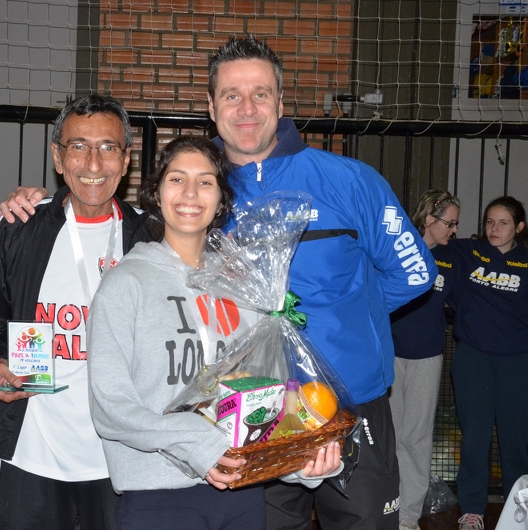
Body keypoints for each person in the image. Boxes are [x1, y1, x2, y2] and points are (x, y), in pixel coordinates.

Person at [0, 36, 437, 530]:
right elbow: (118, 226)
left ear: (281, 102)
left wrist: (344, 321)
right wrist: (39, 206)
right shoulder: (200, 194)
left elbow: (415, 274)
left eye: (260, 94)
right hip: (246, 415)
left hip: (349, 404)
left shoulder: (350, 180)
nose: (247, 108)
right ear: (211, 107)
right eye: (231, 95)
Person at [87, 135, 342, 530]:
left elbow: (265, 398)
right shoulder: (125, 284)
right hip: (159, 495)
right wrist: (199, 444)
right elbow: (111, 408)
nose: (190, 193)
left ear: (221, 199)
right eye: (177, 179)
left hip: (244, 492)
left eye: (205, 182)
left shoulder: (242, 286)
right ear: (156, 192)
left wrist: (301, 461)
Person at [0, 95, 155, 530]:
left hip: (121, 454)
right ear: (58, 157)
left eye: (108, 147)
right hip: (33, 448)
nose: (93, 163)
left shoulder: (150, 235)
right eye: (78, 146)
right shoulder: (21, 227)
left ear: (126, 159)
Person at [449, 196, 528, 530]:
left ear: (519, 227)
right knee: (474, 439)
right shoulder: (468, 251)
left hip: (517, 361)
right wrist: (463, 309)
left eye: (503, 223)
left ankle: (516, 511)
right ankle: (472, 511)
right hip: (474, 357)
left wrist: (527, 310)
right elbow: (438, 257)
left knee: (514, 442)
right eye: (490, 222)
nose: (494, 229)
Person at [388, 190, 460, 530]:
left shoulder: (452, 258)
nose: (454, 230)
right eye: (450, 223)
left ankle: (408, 516)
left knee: (416, 438)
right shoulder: (396, 249)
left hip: (427, 357)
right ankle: (384, 508)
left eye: (456, 224)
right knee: (388, 435)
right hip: (389, 354)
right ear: (429, 219)